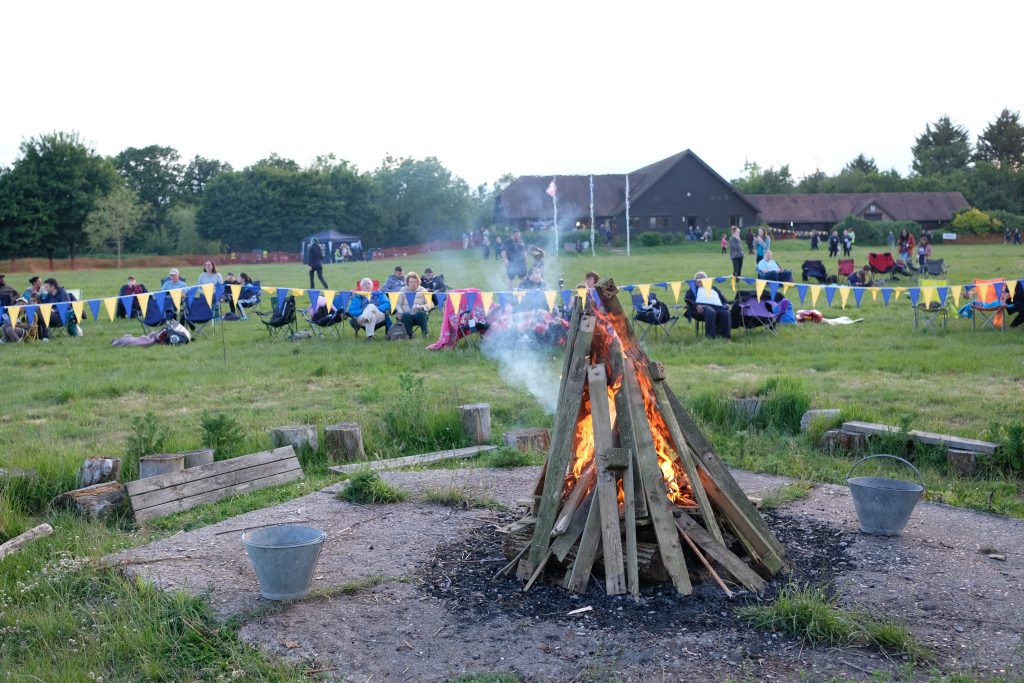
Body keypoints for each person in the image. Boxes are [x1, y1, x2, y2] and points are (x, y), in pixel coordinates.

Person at [687, 271, 731, 340]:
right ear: (696, 282)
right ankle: (710, 337)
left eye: (703, 279)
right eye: (698, 279)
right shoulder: (693, 289)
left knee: (725, 313)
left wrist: (726, 305)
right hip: (701, 308)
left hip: (717, 307)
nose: (700, 281)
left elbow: (724, 300)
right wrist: (696, 306)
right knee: (711, 312)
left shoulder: (714, 288)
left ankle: (725, 337)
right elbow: (688, 299)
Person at [395, 271, 432, 338]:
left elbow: (430, 304)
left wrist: (422, 307)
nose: (413, 284)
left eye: (415, 282)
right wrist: (400, 312)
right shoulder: (403, 290)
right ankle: (409, 335)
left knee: (421, 314)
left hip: (419, 314)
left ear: (418, 282)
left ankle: (425, 334)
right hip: (406, 314)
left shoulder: (423, 290)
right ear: (407, 283)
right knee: (406, 315)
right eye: (411, 282)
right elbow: (398, 304)